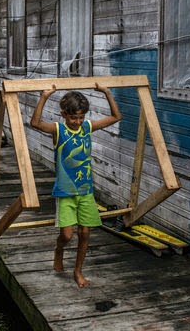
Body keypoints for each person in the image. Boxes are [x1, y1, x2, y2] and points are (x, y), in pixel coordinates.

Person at [30, 83, 122, 287]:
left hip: (85, 191)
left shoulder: (87, 127)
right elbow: (35, 123)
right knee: (67, 234)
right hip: (65, 192)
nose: (77, 121)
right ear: (64, 114)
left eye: (81, 117)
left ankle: (78, 270)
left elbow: (116, 117)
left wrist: (106, 92)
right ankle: (59, 250)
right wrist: (45, 96)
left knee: (85, 233)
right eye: (73, 117)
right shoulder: (58, 129)